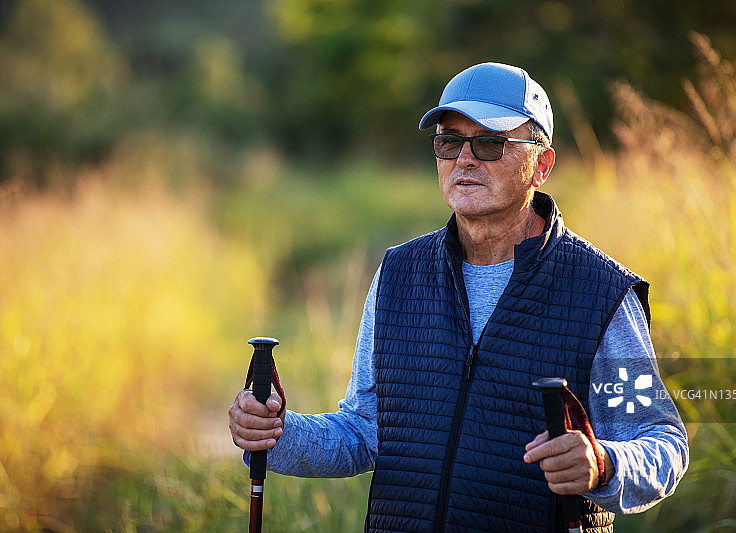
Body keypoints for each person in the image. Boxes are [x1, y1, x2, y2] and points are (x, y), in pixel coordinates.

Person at [229, 62, 689, 532]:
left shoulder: (602, 292)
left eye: (490, 142)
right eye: (449, 142)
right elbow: (365, 432)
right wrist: (275, 434)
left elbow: (661, 442)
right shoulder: (398, 275)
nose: (465, 159)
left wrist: (603, 463)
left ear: (542, 165)